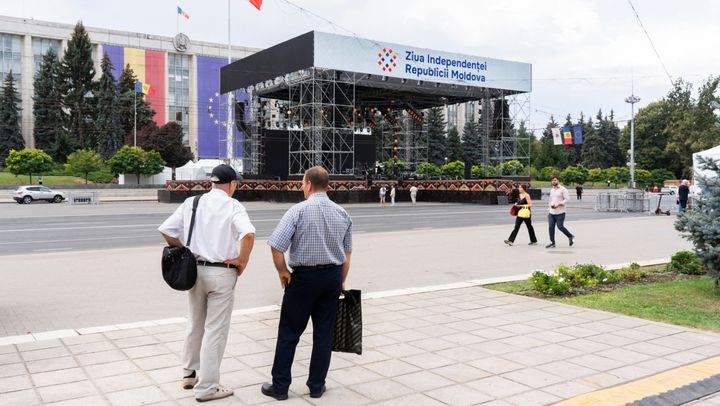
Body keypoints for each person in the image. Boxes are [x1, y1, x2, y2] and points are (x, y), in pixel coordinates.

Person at [158, 164, 256, 402]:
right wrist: (242, 261)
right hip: (222, 273)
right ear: (231, 185)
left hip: (194, 272)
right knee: (215, 330)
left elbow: (166, 230)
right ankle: (207, 387)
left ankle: (189, 373)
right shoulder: (233, 205)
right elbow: (249, 234)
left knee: (195, 322)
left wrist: (185, 250)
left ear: (213, 182)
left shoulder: (193, 203)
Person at [261, 166, 353, 401]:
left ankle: (280, 387)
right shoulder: (343, 213)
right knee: (324, 334)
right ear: (328, 185)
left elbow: (276, 245)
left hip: (303, 279)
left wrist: (283, 271)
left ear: (309, 184)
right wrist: (340, 281)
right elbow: (347, 255)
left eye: (302, 183)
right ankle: (316, 386)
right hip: (332, 278)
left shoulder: (297, 211)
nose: (302, 187)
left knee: (289, 333)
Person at [547, 176, 575, 248]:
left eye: (555, 180)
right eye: (552, 180)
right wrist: (549, 208)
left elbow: (567, 199)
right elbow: (551, 200)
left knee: (560, 227)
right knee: (550, 227)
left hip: (560, 212)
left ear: (558, 181)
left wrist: (559, 204)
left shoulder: (563, 189)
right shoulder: (552, 190)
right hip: (551, 212)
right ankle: (552, 242)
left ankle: (570, 236)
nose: (553, 181)